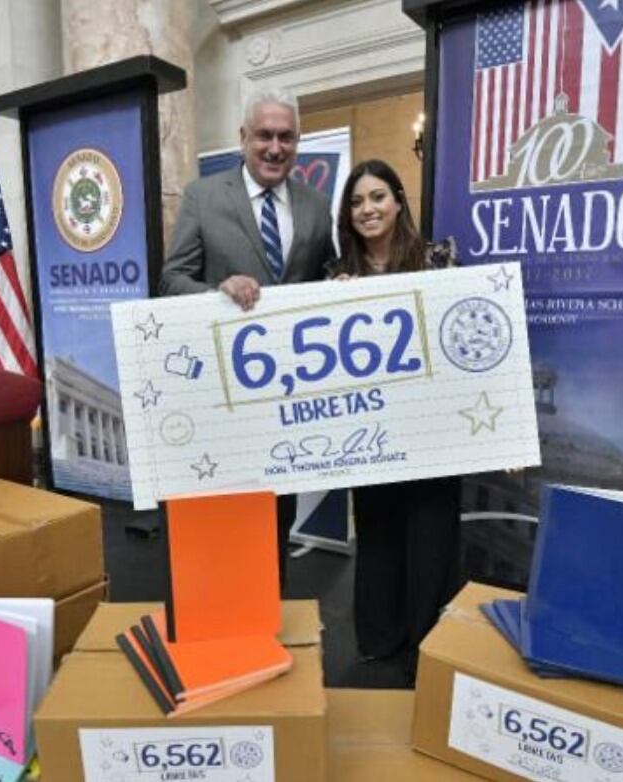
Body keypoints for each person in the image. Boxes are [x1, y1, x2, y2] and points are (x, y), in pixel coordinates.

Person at [160, 88, 336, 590]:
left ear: (297, 141)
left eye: (286, 137)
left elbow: (326, 276)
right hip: (223, 397)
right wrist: (217, 292)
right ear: (243, 137)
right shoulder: (203, 196)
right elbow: (170, 280)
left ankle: (268, 611)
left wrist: (340, 284)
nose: (275, 148)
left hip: (287, 399)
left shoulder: (316, 205)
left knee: (276, 518)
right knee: (221, 519)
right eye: (264, 135)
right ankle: (218, 611)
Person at [336, 159, 461, 676]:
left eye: (377, 197)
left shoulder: (437, 259)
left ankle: (425, 646)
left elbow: (459, 336)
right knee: (379, 533)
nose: (367, 209)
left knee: (431, 538)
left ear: (398, 201)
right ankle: (379, 637)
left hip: (432, 429)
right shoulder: (336, 274)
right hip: (373, 433)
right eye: (356, 201)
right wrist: (335, 305)